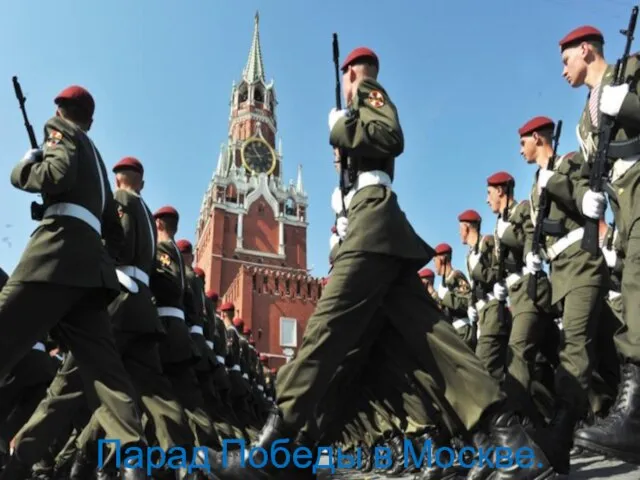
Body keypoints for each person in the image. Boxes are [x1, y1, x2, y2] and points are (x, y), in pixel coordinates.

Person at [208, 46, 555, 480]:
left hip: (373, 226)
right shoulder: (356, 111)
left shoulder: (368, 93)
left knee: (324, 333)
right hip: (370, 223)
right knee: (429, 342)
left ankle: (269, 452)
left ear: (352, 72)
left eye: (346, 72)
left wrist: (343, 128)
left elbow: (392, 137)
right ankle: (510, 444)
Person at [0, 85, 147, 479]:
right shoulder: (99, 162)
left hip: (55, 255)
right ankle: (134, 458)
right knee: (104, 372)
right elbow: (115, 233)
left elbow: (55, 173)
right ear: (91, 119)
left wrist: (27, 165)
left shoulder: (59, 130)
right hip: (90, 271)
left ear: (61, 110)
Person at [558, 25, 640, 464]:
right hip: (623, 211)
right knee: (631, 299)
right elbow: (596, 171)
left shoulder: (631, 69)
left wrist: (628, 103)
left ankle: (632, 415)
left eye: (566, 60)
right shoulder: (582, 121)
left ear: (585, 50)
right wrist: (590, 203)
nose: (563, 71)